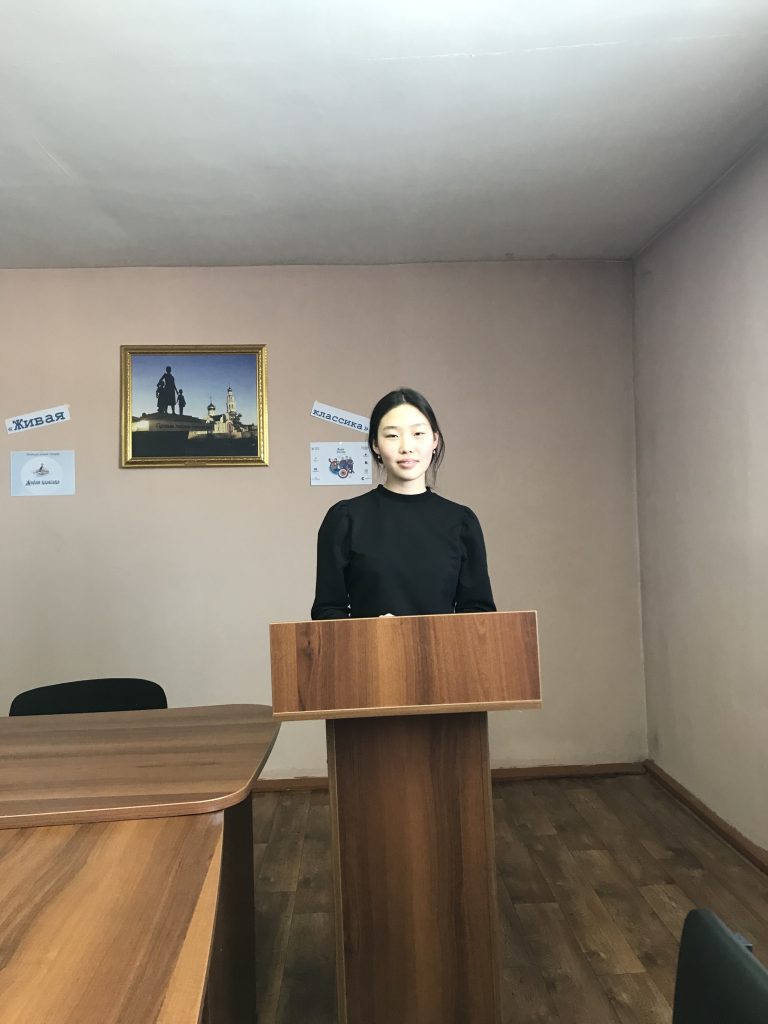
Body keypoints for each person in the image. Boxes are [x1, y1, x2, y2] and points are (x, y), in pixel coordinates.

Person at [311, 387, 496, 619]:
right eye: (392, 435)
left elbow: (479, 614)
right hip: (369, 644)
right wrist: (373, 632)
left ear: (435, 440)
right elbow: (327, 610)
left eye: (418, 434)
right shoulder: (345, 518)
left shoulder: (462, 521)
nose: (406, 447)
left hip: (442, 645)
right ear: (375, 445)